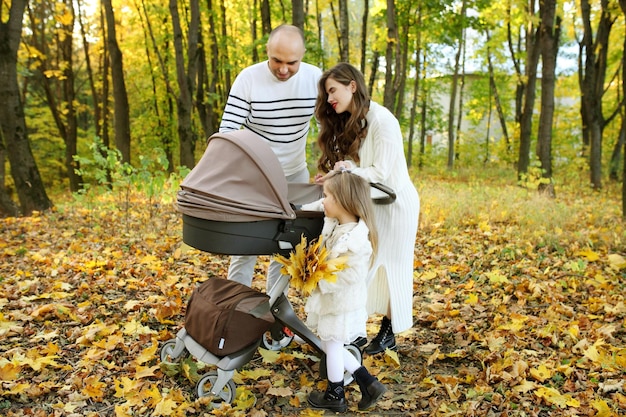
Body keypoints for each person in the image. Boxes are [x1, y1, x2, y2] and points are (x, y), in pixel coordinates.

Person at [313, 62, 420, 355]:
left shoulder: (383, 120)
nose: (330, 98)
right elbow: (364, 169)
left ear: (352, 86)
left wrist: (347, 171)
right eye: (327, 93)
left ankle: (387, 332)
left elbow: (382, 172)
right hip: (375, 203)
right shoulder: (360, 120)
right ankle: (356, 330)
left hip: (396, 204)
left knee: (391, 267)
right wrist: (339, 175)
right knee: (366, 265)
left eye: (333, 90)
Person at [219, 24, 322, 292]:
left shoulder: (315, 79)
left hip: (295, 176)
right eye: (277, 60)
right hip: (255, 178)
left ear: (303, 55)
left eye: (292, 62)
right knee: (245, 245)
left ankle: (276, 311)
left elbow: (329, 130)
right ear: (267, 51)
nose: (284, 69)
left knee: (286, 246)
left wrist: (333, 164)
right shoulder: (248, 79)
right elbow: (227, 132)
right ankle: (234, 309)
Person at [301, 171, 387, 412]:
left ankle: (335, 394)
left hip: (340, 301)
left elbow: (351, 275)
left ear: (341, 201)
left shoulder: (357, 240)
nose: (323, 200)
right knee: (331, 346)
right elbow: (319, 205)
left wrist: (321, 281)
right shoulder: (336, 225)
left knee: (333, 346)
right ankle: (368, 383)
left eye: (327, 196)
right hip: (334, 301)